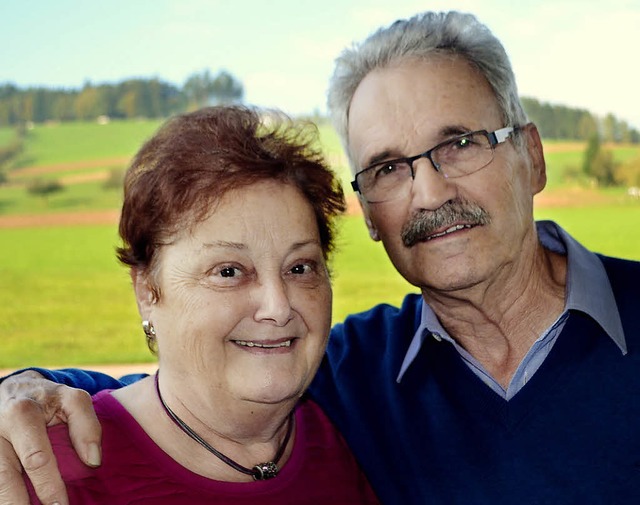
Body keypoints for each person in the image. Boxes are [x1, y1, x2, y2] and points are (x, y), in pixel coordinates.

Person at [2, 9, 640, 505]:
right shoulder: (348, 374)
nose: (430, 191)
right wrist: (22, 387)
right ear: (368, 212)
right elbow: (191, 389)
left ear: (531, 154)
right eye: (388, 168)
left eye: (461, 143)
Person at [1, 105, 380, 504]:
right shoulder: (46, 473)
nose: (278, 306)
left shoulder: (354, 439)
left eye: (300, 267)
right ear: (147, 290)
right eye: (229, 272)